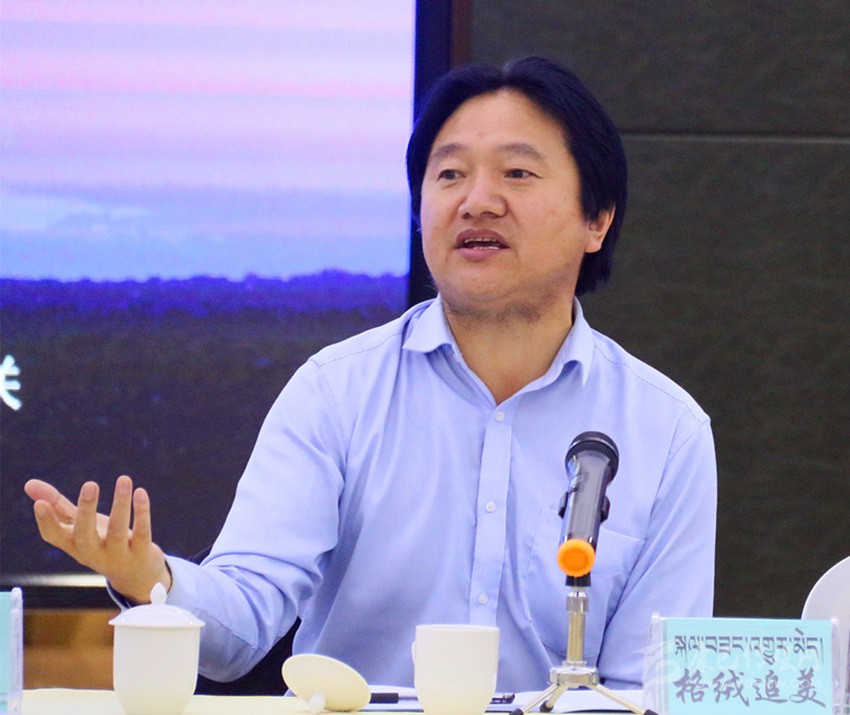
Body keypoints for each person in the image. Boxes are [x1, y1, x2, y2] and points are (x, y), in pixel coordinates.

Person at [25, 56, 716, 691]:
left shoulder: (666, 431)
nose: (476, 201)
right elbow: (238, 633)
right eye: (449, 174)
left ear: (597, 219)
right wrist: (150, 578)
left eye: (517, 173)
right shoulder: (337, 392)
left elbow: (648, 688)